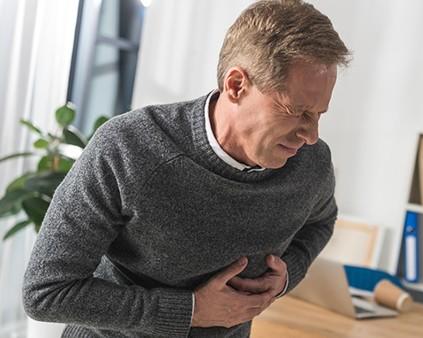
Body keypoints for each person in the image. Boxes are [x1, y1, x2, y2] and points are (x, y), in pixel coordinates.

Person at [22, 0, 350, 337]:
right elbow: (47, 292)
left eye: (319, 114)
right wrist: (189, 310)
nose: (311, 136)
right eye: (297, 111)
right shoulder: (129, 148)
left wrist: (286, 275)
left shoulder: (311, 164)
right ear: (236, 86)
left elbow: (321, 221)